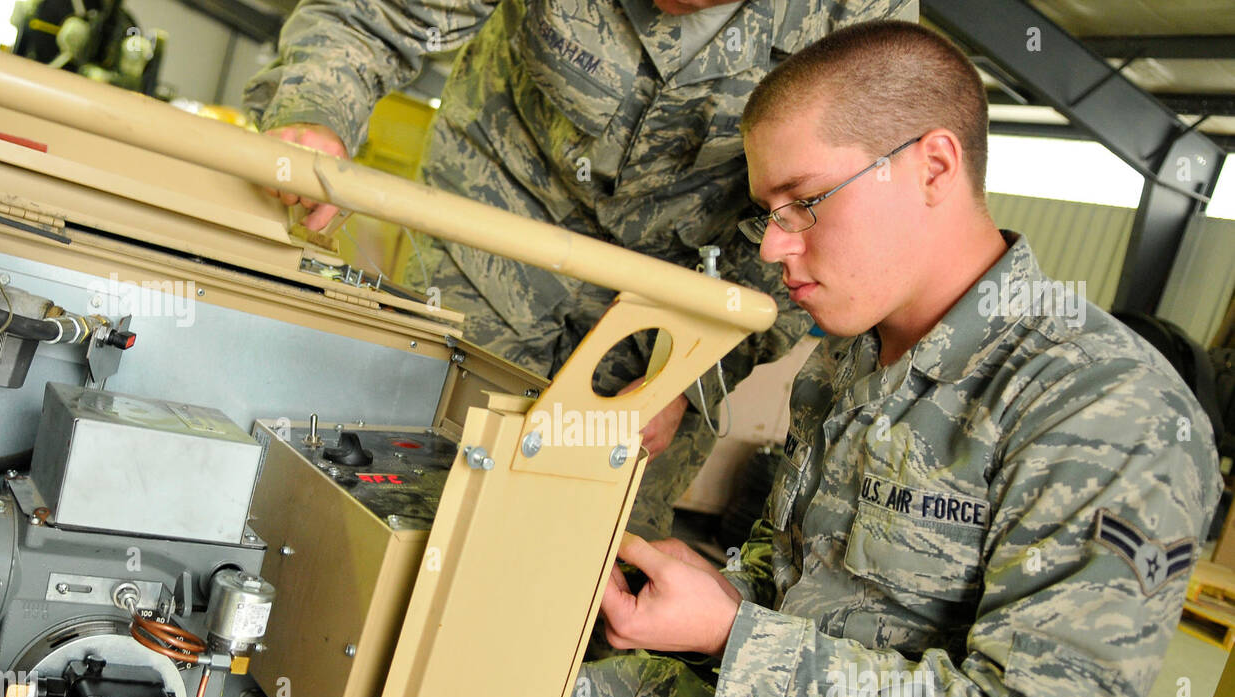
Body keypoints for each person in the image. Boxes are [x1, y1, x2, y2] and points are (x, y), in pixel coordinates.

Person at [513, 19, 1222, 697]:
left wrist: (736, 637)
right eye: (767, 213)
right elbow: (802, 577)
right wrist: (707, 589)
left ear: (933, 166)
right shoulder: (850, 354)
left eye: (804, 202)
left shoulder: (1103, 405)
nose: (775, 246)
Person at [244, 0, 917, 540]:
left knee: (577, 563)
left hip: (681, 309)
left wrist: (691, 375)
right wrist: (312, 114)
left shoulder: (862, 16)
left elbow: (831, 226)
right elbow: (373, 12)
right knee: (380, 489)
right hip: (494, 233)